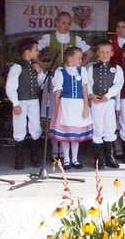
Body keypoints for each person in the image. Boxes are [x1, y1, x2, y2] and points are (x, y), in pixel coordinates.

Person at [38, 11, 92, 160]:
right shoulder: (49, 38)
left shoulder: (75, 39)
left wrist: (79, 66)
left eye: (68, 23)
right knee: (54, 114)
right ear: (56, 22)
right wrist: (43, 65)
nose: (65, 25)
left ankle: (67, 153)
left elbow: (89, 53)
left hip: (71, 83)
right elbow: (35, 51)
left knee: (69, 118)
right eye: (62, 22)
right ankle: (55, 149)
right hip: (54, 81)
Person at [49, 46, 92, 170]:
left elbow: (84, 90)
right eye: (78, 58)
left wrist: (86, 106)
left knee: (76, 135)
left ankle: (75, 159)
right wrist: (57, 110)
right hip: (66, 105)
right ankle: (66, 159)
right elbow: (57, 92)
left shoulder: (82, 70)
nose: (80, 60)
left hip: (78, 105)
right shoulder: (60, 71)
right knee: (66, 135)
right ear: (69, 58)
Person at [5, 38, 45, 170]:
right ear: (28, 51)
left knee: (35, 127)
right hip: (21, 101)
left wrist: (39, 72)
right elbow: (10, 86)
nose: (38, 52)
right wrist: (15, 103)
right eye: (36, 50)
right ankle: (19, 159)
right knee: (19, 128)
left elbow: (41, 84)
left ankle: (35, 157)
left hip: (33, 101)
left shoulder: (34, 66)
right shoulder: (17, 67)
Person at [88, 41, 124, 169]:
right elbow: (88, 83)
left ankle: (110, 157)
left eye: (107, 52)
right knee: (97, 128)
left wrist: (107, 96)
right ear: (97, 53)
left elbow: (118, 85)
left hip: (109, 102)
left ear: (112, 53)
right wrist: (91, 95)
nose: (104, 54)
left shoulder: (117, 68)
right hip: (96, 102)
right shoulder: (91, 68)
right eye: (102, 52)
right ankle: (98, 159)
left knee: (110, 127)